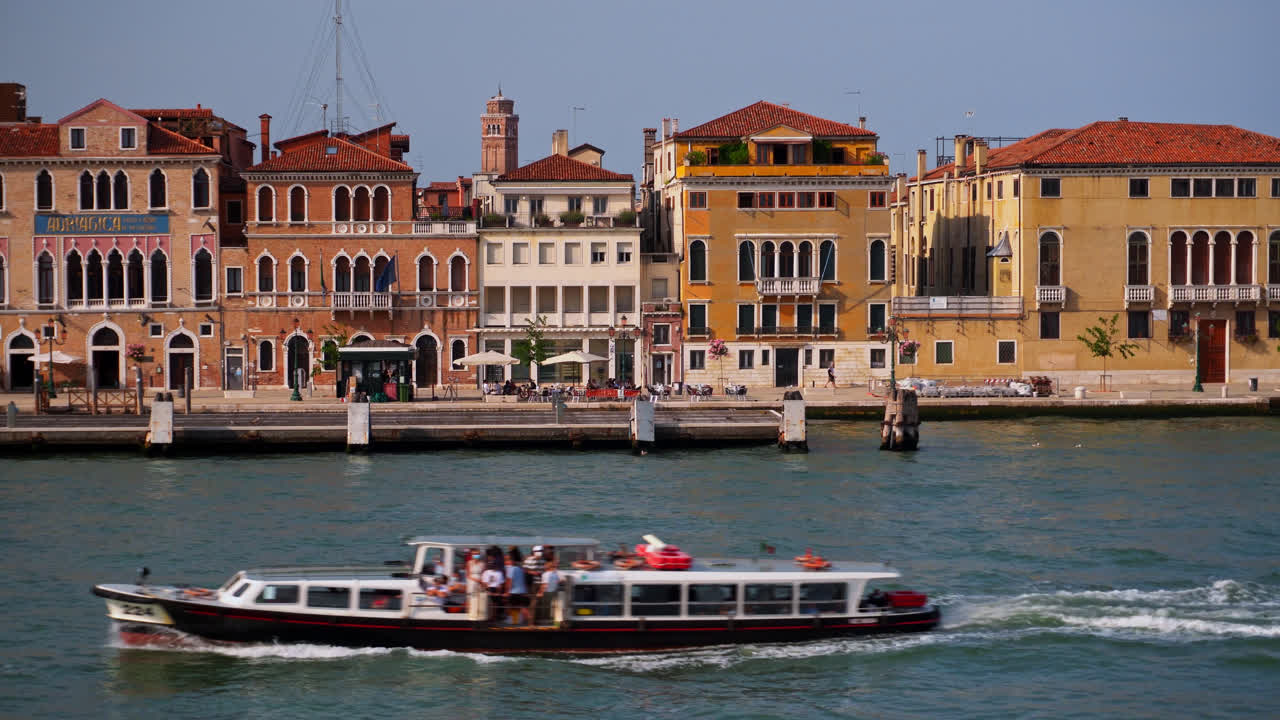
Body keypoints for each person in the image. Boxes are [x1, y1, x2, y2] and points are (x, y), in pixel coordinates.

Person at [533, 559, 562, 626]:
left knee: (546, 607)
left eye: (545, 565)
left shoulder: (546, 574)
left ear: (547, 567)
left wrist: (540, 592)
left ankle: (546, 621)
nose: (544, 566)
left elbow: (544, 585)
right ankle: (553, 621)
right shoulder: (555, 574)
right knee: (553, 608)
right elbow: (559, 581)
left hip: (547, 592)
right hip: (554, 592)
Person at [504, 552, 530, 626]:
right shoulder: (520, 569)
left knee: (510, 606)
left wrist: (507, 592)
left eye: (507, 560)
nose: (506, 562)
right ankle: (528, 622)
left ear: (512, 561)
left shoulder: (511, 569)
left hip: (514, 591)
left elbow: (509, 581)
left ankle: (512, 621)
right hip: (522, 591)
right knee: (523, 607)